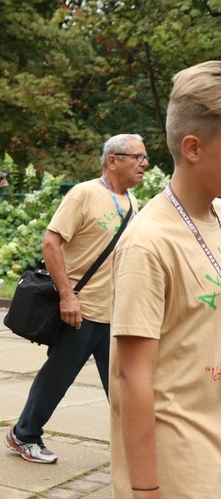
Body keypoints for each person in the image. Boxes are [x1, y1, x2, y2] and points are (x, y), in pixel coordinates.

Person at [110, 61, 221, 497]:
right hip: (180, 467)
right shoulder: (148, 243)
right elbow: (131, 377)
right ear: (192, 148)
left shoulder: (216, 216)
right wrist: (145, 489)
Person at [4, 133, 146, 464]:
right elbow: (50, 244)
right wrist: (68, 297)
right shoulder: (84, 194)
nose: (144, 164)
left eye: (144, 158)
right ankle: (24, 435)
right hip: (81, 311)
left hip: (115, 312)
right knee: (58, 377)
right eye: (137, 157)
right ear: (113, 160)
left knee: (123, 382)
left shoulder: (131, 202)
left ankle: (135, 443)